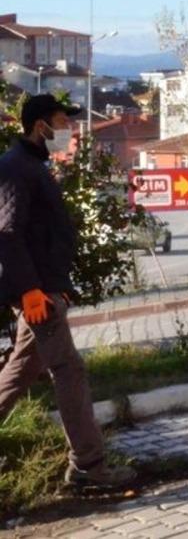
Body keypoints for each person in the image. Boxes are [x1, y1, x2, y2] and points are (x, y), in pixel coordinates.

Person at [0, 95, 135, 488]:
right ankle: (88, 468)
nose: (68, 130)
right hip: (36, 296)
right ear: (40, 126)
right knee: (69, 371)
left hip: (45, 292)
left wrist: (57, 286)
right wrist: (30, 291)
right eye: (62, 121)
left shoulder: (31, 166)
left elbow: (41, 236)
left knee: (20, 371)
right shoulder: (16, 169)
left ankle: (86, 468)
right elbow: (6, 235)